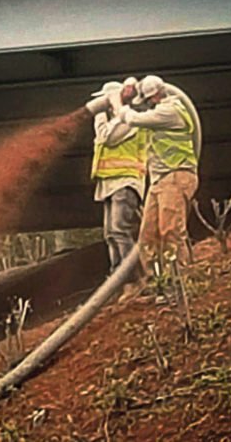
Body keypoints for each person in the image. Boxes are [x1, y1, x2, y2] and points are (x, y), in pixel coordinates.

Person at [108, 75, 199, 300]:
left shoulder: (170, 111)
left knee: (170, 231)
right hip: (160, 180)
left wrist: (116, 103)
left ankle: (180, 284)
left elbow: (132, 118)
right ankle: (158, 282)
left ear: (155, 96)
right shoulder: (157, 111)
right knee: (148, 236)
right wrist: (129, 83)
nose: (147, 102)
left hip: (176, 176)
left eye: (148, 99)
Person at [89, 77, 149, 300]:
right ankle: (118, 281)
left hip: (126, 181)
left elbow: (108, 137)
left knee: (119, 230)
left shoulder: (129, 120)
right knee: (110, 234)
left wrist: (102, 114)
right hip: (109, 183)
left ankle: (136, 279)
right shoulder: (115, 120)